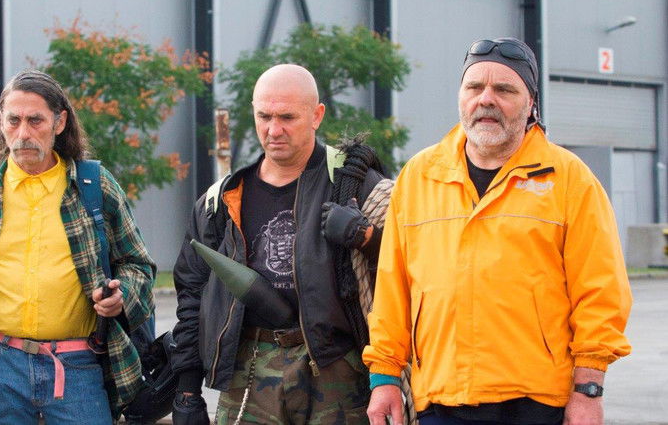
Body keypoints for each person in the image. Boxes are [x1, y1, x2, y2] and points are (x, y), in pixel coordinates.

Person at [363, 38, 633, 425]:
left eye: (504, 90)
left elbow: (600, 292)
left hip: (537, 403)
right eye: (474, 87)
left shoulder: (569, 179)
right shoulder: (420, 177)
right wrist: (384, 377)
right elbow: (393, 289)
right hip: (441, 401)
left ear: (531, 103)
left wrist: (588, 390)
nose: (486, 99)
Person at [0, 70, 156, 424]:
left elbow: (138, 265)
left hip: (79, 365)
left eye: (35, 120)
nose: (23, 133)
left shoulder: (94, 185)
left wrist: (121, 297)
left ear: (60, 122)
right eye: (13, 120)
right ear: (1, 122)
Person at [171, 63, 391, 424]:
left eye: (287, 117)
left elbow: (412, 267)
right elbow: (192, 295)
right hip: (249, 372)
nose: (274, 130)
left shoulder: (356, 186)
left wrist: (367, 238)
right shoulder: (222, 201)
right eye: (264, 116)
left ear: (316, 115)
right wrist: (187, 391)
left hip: (337, 371)